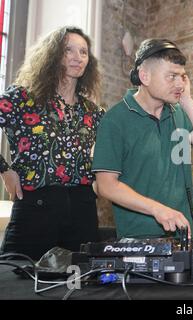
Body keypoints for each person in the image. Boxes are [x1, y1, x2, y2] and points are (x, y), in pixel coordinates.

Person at [92, 39, 193, 240]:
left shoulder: (179, 113)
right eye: (171, 76)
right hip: (141, 239)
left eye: (182, 77)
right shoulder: (115, 119)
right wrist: (156, 209)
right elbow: (106, 185)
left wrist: (187, 100)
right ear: (145, 76)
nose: (179, 84)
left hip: (185, 235)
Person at [0, 26, 104, 260]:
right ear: (53, 55)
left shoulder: (92, 111)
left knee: (83, 286)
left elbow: (117, 148)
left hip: (82, 209)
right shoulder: (22, 98)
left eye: (84, 52)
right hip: (36, 208)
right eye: (69, 50)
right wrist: (4, 170)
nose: (78, 57)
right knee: (18, 283)